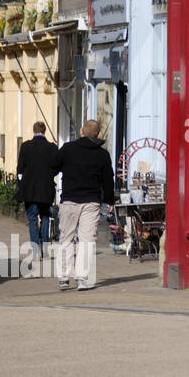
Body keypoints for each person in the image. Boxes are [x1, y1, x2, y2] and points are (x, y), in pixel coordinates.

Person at [48, 120, 115, 291]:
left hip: (70, 199)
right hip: (91, 201)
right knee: (87, 240)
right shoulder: (103, 155)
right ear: (98, 135)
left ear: (81, 131)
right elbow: (108, 180)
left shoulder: (68, 149)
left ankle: (63, 277)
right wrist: (109, 200)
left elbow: (52, 166)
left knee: (66, 238)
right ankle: (82, 278)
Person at [17, 122, 58, 268]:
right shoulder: (52, 147)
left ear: (33, 131)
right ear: (45, 131)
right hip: (46, 188)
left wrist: (22, 183)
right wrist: (48, 175)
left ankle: (35, 251)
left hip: (30, 189)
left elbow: (20, 169)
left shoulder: (26, 147)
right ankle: (45, 250)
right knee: (45, 216)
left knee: (32, 218)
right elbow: (57, 167)